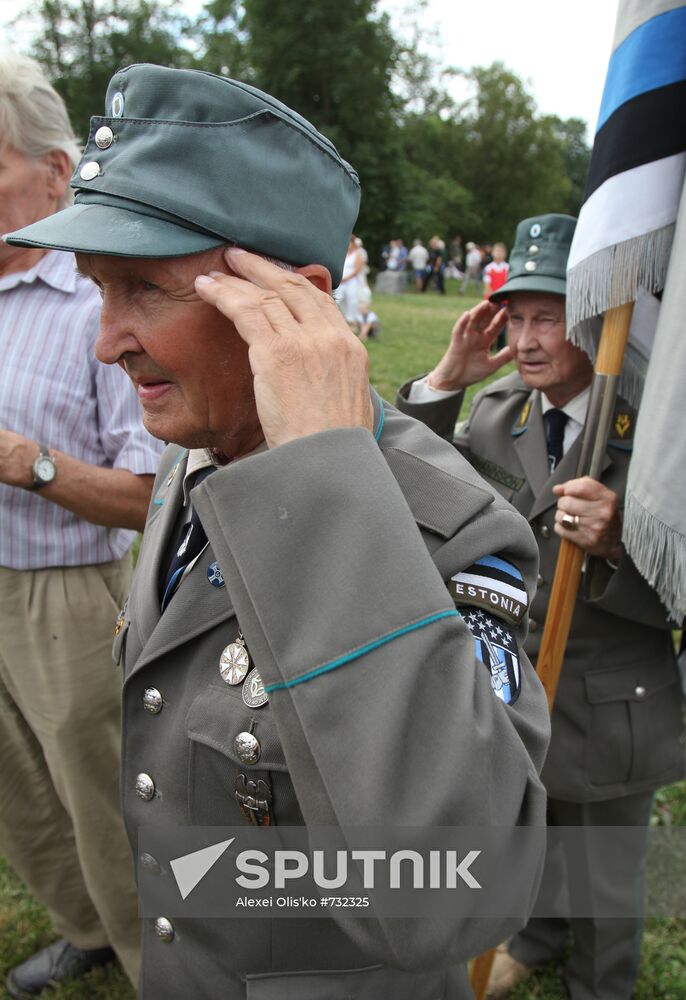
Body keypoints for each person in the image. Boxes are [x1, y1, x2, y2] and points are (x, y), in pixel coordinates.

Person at [6, 63, 551, 1000]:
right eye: (98, 289)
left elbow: (462, 890)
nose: (105, 338)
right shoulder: (191, 450)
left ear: (292, 307)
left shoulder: (448, 525)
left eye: (142, 290)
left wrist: (325, 494)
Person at [395, 213, 685, 1000]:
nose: (524, 339)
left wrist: (625, 538)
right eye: (514, 317)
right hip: (514, 693)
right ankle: (537, 934)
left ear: (594, 320)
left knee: (606, 882)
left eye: (547, 318)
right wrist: (447, 382)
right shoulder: (497, 411)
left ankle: (600, 984)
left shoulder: (659, 434)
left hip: (608, 703)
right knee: (535, 835)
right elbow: (413, 498)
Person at [0, 55, 163, 996]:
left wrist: (33, 465)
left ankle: (156, 965)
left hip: (67, 597)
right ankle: (84, 926)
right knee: (16, 791)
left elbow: (153, 495)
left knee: (104, 801)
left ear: (55, 175)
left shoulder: (99, 298)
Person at [334, 233, 364, 326]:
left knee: (351, 300)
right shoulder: (343, 254)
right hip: (341, 281)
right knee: (337, 299)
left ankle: (351, 321)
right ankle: (338, 319)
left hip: (351, 282)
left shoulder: (357, 254)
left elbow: (357, 270)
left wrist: (346, 278)